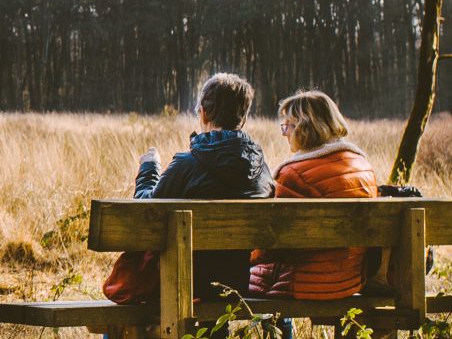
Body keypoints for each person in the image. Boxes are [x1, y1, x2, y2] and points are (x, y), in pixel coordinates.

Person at [103, 71, 274, 306]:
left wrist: (148, 169)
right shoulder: (263, 170)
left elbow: (147, 214)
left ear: (203, 112)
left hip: (183, 281)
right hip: (236, 283)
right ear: (242, 117)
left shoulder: (187, 164)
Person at [248, 89, 381, 299]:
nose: (285, 133)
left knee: (251, 275)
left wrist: (247, 254)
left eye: (288, 126)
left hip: (308, 281)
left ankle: (280, 332)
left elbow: (276, 241)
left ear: (304, 127)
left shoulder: (294, 174)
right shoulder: (362, 166)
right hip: (350, 279)